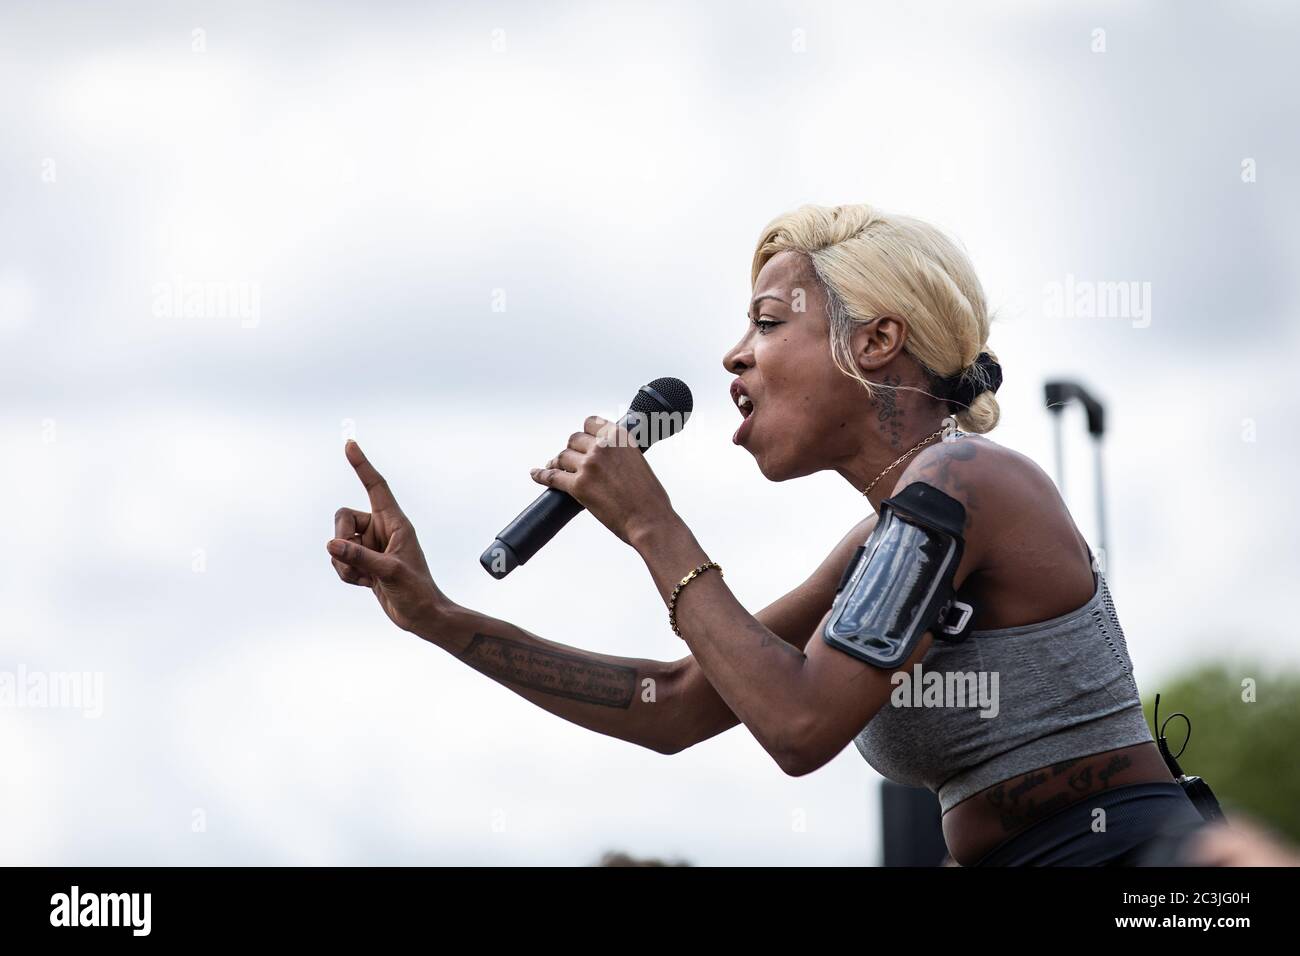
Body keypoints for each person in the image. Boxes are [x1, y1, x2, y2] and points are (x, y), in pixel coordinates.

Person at [326, 203, 1203, 866]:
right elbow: (671, 705)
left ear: (877, 340)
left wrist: (650, 523)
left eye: (769, 322)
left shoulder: (965, 479)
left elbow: (799, 725)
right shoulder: (884, 540)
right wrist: (436, 615)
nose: (734, 356)